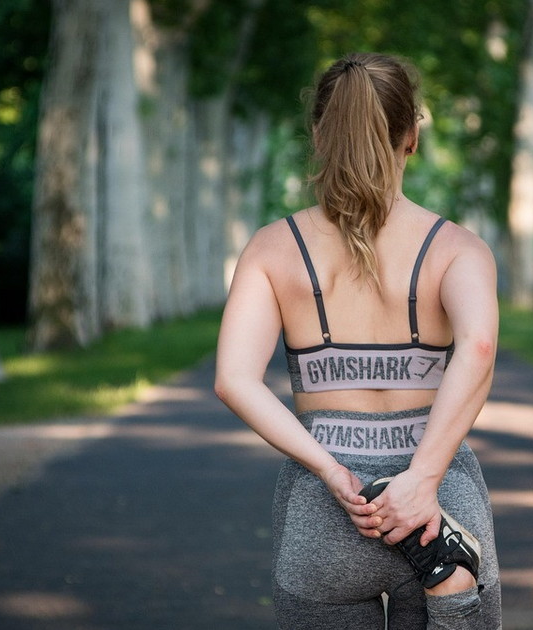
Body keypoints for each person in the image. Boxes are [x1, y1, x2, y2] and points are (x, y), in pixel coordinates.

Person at [214, 52, 502, 629]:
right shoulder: (458, 249)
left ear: (320, 134)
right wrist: (422, 480)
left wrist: (330, 470)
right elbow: (476, 348)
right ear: (411, 136)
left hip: (326, 514)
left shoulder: (271, 248)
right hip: (437, 514)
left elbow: (234, 380)